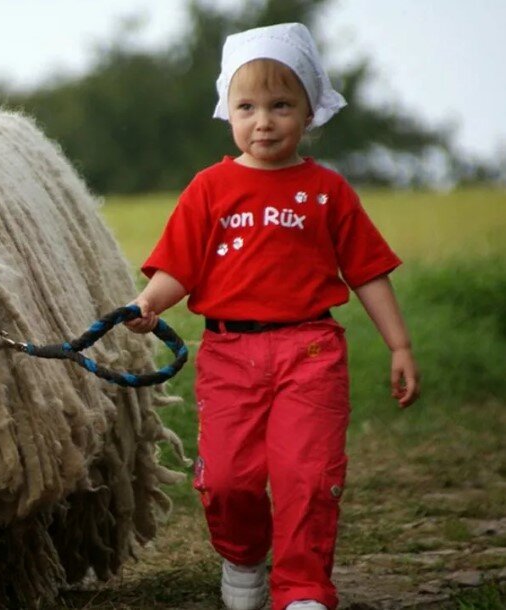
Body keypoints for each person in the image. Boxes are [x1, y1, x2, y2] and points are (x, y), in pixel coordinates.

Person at [125, 22, 420, 610]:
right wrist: (149, 304)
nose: (264, 120)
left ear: (309, 112)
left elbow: (366, 272)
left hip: (311, 354)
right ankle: (242, 558)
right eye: (248, 106)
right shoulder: (209, 189)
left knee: (306, 477)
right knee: (228, 481)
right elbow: (179, 268)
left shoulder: (328, 191)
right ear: (227, 112)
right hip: (230, 357)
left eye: (282, 105)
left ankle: (304, 588)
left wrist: (400, 346)